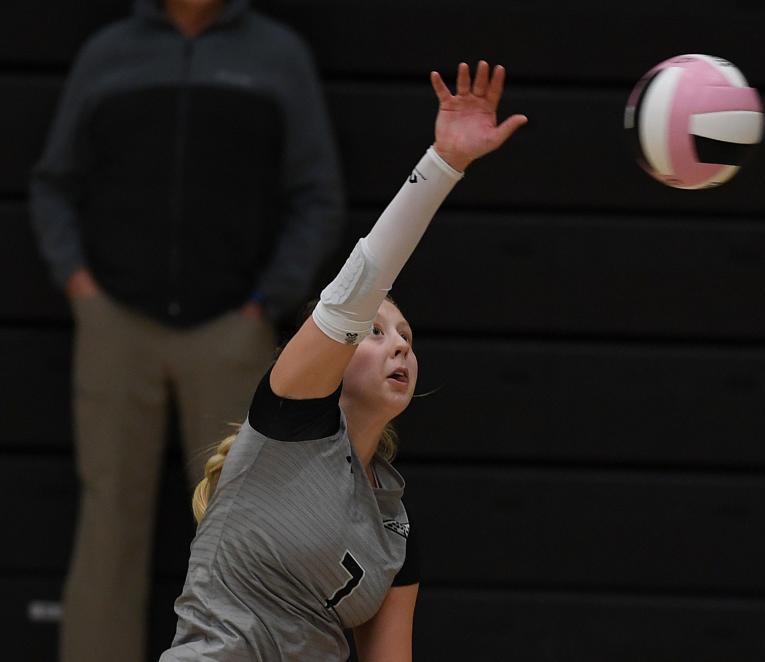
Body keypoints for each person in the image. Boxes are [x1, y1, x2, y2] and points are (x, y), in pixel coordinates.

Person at [159, 60, 527, 661]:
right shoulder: (289, 425)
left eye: (406, 334)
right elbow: (365, 276)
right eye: (375, 332)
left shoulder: (394, 524)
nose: (401, 344)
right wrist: (444, 164)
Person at [29, 1, 345, 660]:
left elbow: (316, 193)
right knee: (108, 521)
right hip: (117, 324)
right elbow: (55, 183)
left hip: (233, 330)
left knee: (237, 529)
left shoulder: (277, 57)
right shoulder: (108, 53)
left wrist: (267, 302)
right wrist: (83, 290)